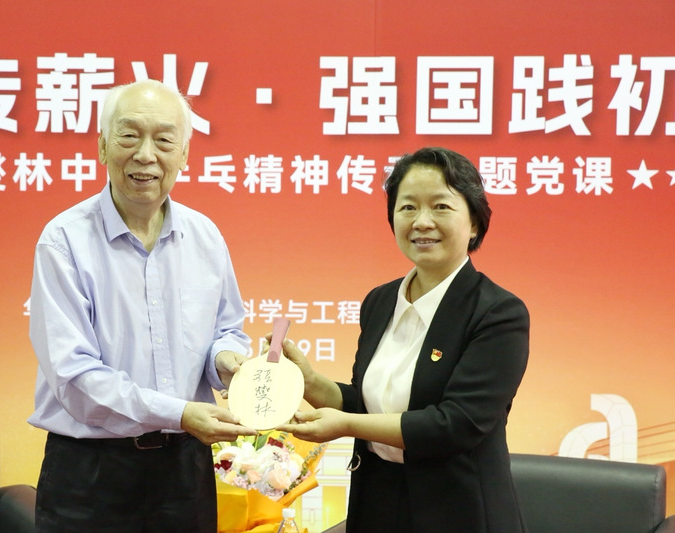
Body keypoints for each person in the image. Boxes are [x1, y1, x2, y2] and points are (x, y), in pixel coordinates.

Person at [27, 79, 257, 533]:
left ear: (184, 154)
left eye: (164, 140)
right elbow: (74, 376)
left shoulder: (205, 236)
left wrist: (227, 362)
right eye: (129, 136)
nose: (146, 155)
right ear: (102, 146)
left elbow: (226, 330)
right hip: (91, 473)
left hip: (185, 469)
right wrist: (179, 413)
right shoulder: (64, 240)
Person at [277, 147, 530, 533]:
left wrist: (346, 425)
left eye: (441, 207)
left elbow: (455, 424)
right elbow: (368, 404)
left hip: (459, 512)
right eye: (407, 207)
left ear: (475, 223)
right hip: (376, 502)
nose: (422, 222)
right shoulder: (380, 301)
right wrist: (309, 382)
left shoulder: (498, 312)